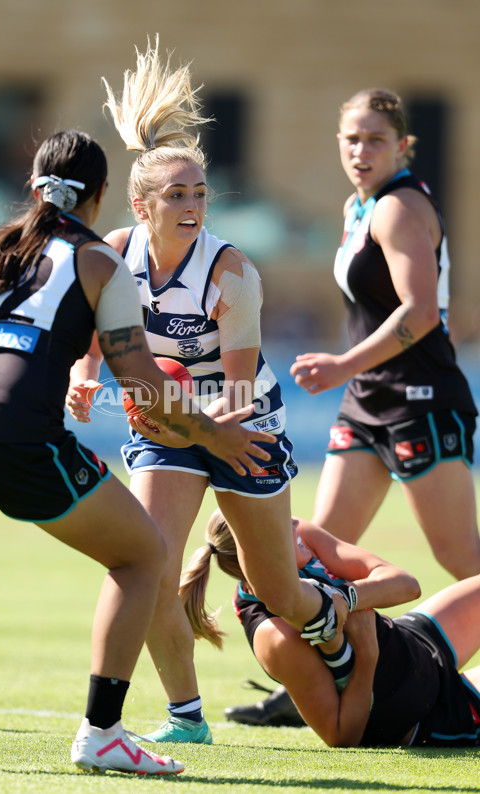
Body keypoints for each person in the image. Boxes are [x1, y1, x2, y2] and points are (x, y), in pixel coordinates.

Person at [0, 129, 279, 777]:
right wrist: (213, 433)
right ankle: (103, 732)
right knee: (143, 553)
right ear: (101, 197)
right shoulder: (98, 260)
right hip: (14, 438)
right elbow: (146, 381)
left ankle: (141, 724)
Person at [66, 39, 343, 744]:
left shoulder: (232, 274)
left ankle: (337, 631)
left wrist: (177, 415)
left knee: (276, 589)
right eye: (176, 195)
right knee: (150, 565)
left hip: (240, 421)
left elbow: (240, 387)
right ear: (140, 204)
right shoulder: (116, 253)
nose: (192, 207)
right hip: (171, 425)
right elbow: (98, 331)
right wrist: (85, 374)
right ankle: (186, 719)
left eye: (199, 194)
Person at [289, 88, 480, 581]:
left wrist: (341, 364)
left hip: (422, 399)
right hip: (367, 397)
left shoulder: (398, 208)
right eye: (352, 139)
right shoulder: (358, 206)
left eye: (376, 139)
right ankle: (344, 658)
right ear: (338, 142)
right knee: (316, 549)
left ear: (403, 145)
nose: (361, 150)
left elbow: (420, 314)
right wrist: (352, 372)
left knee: (462, 562)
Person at [183, 509, 480, 748]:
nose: (292, 520)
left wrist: (346, 597)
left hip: (411, 640)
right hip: (428, 710)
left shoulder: (300, 535)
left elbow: (406, 585)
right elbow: (342, 735)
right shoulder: (273, 636)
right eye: (276, 517)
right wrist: (367, 654)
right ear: (261, 549)